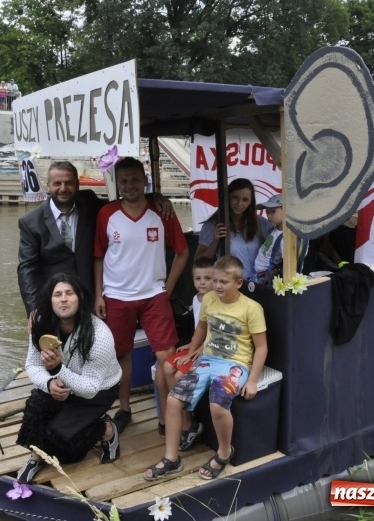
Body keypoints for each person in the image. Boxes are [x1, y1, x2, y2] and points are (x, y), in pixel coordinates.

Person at [144, 256, 268, 481]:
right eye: (215, 281)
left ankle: (224, 452)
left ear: (238, 283)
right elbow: (201, 328)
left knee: (218, 404)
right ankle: (172, 458)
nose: (217, 286)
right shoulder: (209, 299)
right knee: (173, 400)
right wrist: (193, 350)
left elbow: (261, 347)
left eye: (224, 282)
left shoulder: (252, 308)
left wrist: (252, 380)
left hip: (235, 364)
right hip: (208, 360)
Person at [94, 157, 189, 434]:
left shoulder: (162, 212)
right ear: (117, 184)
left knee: (166, 356)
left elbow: (182, 252)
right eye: (124, 180)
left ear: (145, 180)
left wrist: (167, 288)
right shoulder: (107, 214)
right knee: (122, 353)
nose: (130, 185)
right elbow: (98, 256)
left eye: (135, 179)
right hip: (116, 296)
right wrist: (99, 294)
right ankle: (124, 409)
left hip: (153, 295)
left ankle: (168, 417)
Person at [17, 161, 173, 318]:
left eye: (69, 183)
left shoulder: (89, 203)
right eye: (57, 183)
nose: (63, 189)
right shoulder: (31, 223)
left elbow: (125, 202)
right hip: (56, 302)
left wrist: (154, 197)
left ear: (77, 184)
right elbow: (26, 268)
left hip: (90, 300)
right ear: (48, 185)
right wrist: (33, 308)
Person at [15, 273, 121, 483]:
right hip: (60, 381)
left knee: (69, 451)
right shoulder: (40, 323)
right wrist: (49, 383)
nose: (63, 299)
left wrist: (57, 370)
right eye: (57, 294)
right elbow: (33, 364)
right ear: (50, 300)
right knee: (35, 407)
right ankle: (37, 455)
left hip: (98, 390)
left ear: (80, 297)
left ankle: (105, 429)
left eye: (69, 293)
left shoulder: (99, 336)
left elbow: (90, 388)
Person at [157, 257, 214, 440]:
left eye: (208, 278)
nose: (202, 282)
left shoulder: (216, 300)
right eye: (198, 278)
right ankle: (184, 417)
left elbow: (214, 331)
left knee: (180, 375)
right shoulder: (196, 299)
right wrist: (192, 344)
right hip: (197, 345)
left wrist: (199, 349)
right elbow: (199, 327)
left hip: (210, 348)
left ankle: (188, 424)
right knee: (167, 366)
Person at [195, 178, 273, 280]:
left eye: (245, 199)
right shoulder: (213, 226)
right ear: (227, 198)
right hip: (232, 288)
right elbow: (198, 261)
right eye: (235, 198)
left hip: (260, 287)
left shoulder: (261, 223)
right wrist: (216, 241)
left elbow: (277, 250)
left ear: (251, 201)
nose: (239, 203)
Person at [253, 194, 285, 283]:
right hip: (257, 274)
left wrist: (274, 273)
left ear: (286, 210)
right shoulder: (274, 229)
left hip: (265, 277)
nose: (269, 215)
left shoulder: (285, 238)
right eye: (267, 212)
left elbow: (287, 264)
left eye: (273, 211)